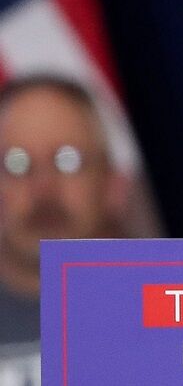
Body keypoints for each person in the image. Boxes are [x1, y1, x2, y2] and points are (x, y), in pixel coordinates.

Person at [0, 75, 126, 385]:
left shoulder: (180, 318)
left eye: (67, 160)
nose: (43, 188)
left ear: (113, 184)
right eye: (17, 164)